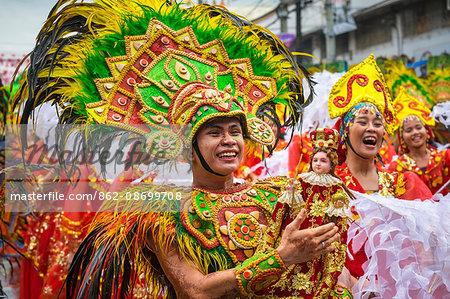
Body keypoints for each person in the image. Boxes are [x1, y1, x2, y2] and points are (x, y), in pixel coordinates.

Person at [13, 0, 347, 298]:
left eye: (235, 131)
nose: (229, 140)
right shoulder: (160, 209)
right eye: (214, 132)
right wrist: (280, 258)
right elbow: (195, 290)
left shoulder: (275, 192)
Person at [328, 54, 449, 297]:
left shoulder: (403, 183)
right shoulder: (329, 186)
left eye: (377, 122)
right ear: (344, 131)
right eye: (362, 121)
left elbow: (429, 250)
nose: (371, 127)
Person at [388, 87, 449, 195]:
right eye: (408, 130)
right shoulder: (396, 167)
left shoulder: (445, 158)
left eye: (418, 127)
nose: (415, 132)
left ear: (427, 131)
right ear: (402, 137)